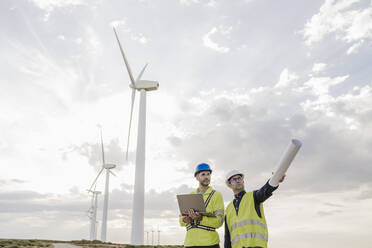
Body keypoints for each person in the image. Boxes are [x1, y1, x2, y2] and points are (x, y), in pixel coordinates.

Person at [224, 170, 285, 248]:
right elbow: (227, 237)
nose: (238, 181)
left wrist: (275, 179)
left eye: (239, 178)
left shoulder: (253, 197)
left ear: (243, 181)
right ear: (230, 184)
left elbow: (266, 190)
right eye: (234, 179)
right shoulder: (229, 209)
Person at [179, 163, 225, 248]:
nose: (206, 177)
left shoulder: (216, 195)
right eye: (203, 174)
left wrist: (201, 218)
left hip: (209, 243)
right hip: (190, 243)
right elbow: (180, 220)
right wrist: (185, 219)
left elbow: (219, 221)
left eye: (208, 174)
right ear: (196, 177)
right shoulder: (190, 195)